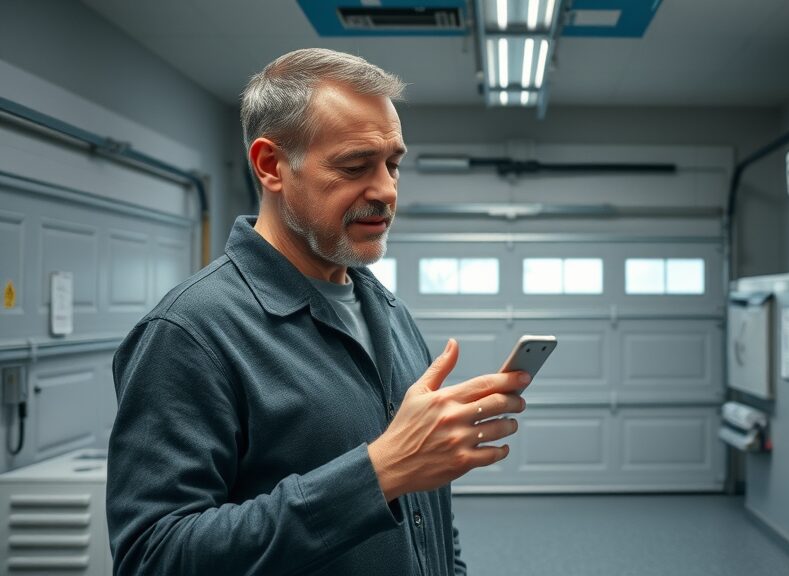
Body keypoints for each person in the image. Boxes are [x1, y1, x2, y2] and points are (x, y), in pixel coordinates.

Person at [106, 48, 528, 576]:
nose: (386, 190)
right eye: (355, 166)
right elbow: (154, 557)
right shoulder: (190, 334)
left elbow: (427, 513)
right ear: (271, 166)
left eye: (393, 164)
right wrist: (378, 474)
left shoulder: (388, 312)